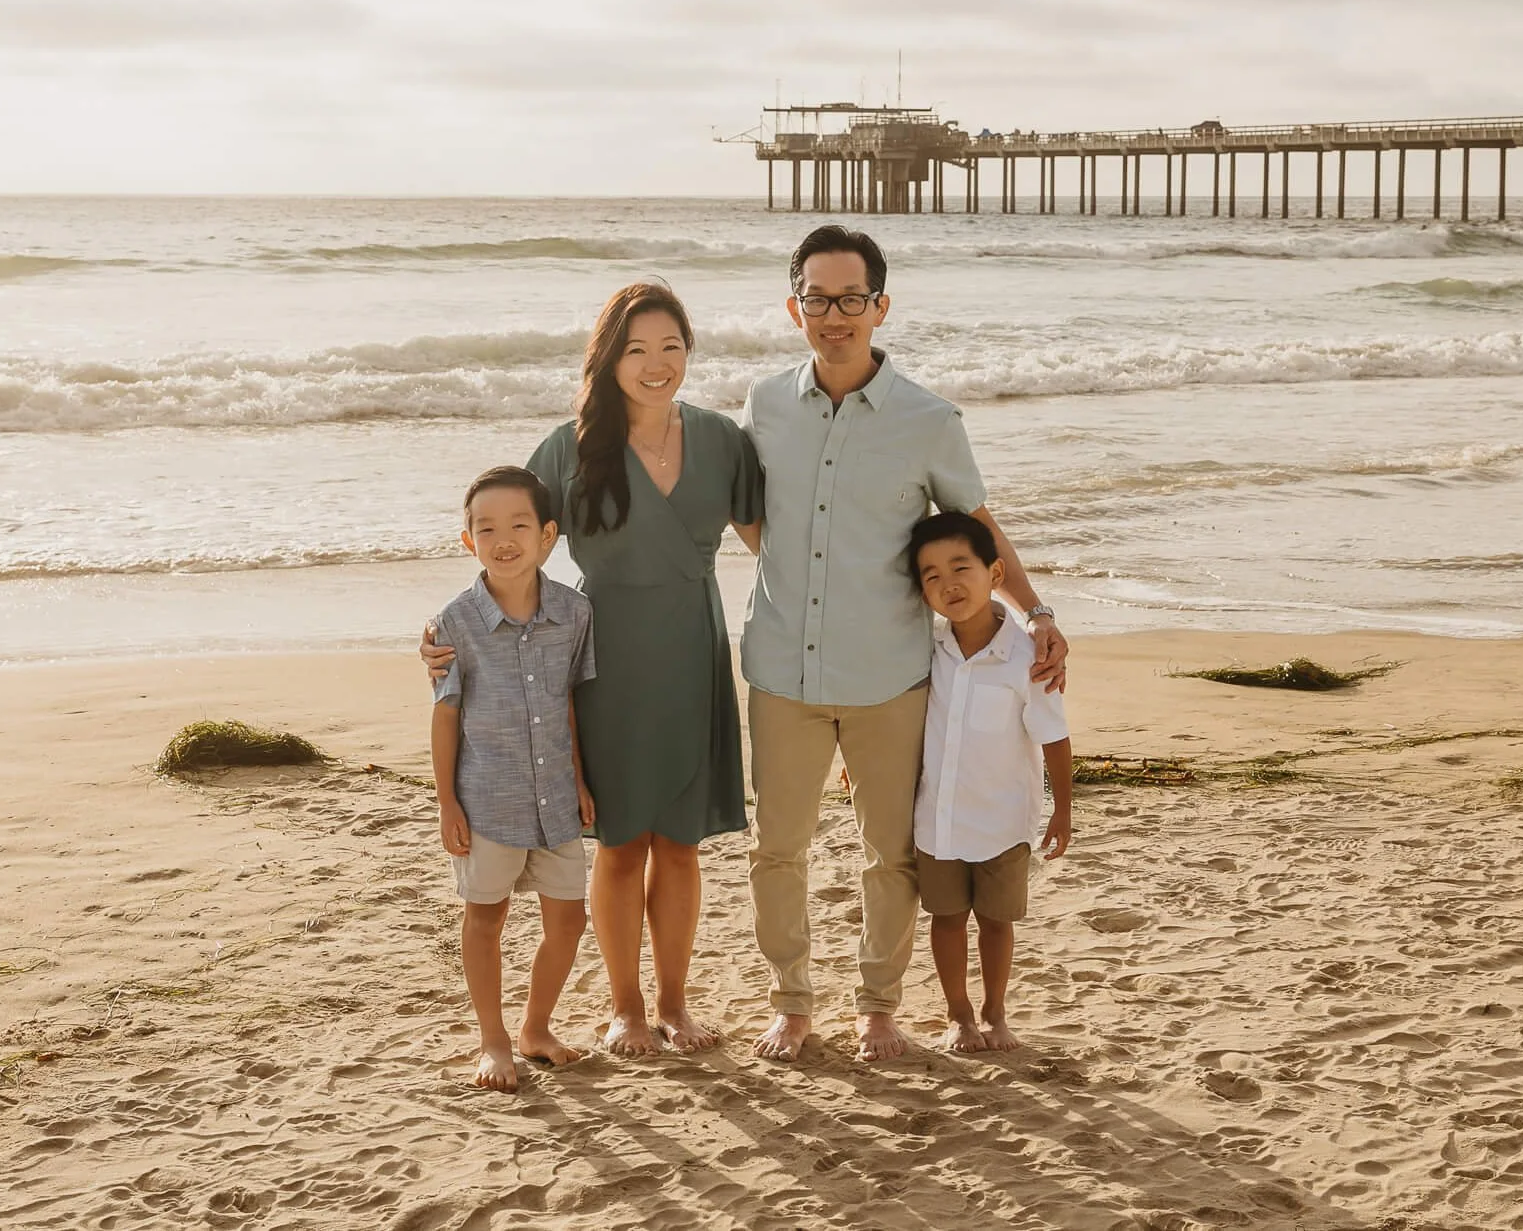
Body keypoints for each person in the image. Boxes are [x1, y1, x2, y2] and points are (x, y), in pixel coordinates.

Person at [742, 224, 1068, 1064]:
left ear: (880, 306)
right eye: (818, 297)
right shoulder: (765, 404)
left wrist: (1036, 612)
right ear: (794, 307)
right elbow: (754, 519)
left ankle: (878, 1005)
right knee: (777, 847)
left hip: (890, 676)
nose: (835, 313)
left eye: (852, 297)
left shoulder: (929, 420)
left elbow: (978, 529)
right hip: (782, 667)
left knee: (890, 854)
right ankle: (792, 999)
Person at [423, 282, 762, 1056]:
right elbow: (509, 541)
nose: (655, 364)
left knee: (680, 841)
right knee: (620, 841)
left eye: (671, 346)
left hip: (694, 649)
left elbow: (770, 545)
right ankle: (626, 1008)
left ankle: (675, 1004)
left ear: (689, 352)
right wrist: (446, 629)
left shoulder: (719, 438)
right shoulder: (570, 446)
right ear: (607, 358)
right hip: (603, 657)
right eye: (636, 348)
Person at [430, 465, 598, 1092]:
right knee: (485, 918)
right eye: (487, 527)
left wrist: (580, 779)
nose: (504, 538)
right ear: (468, 539)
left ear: (547, 535)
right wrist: (447, 801)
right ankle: (493, 1042)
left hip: (556, 798)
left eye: (519, 525)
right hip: (487, 799)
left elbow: (573, 705)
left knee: (568, 920)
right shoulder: (453, 623)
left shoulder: (575, 613)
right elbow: (445, 717)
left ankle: (536, 1027)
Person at [906, 509, 1073, 1053]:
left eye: (961, 567)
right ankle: (958, 1015)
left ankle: (996, 1012)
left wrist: (1064, 810)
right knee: (947, 919)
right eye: (931, 575)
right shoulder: (925, 647)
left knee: (997, 922)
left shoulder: (1029, 656)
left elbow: (1054, 736)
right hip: (939, 817)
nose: (948, 584)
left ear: (995, 573)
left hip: (1004, 818)